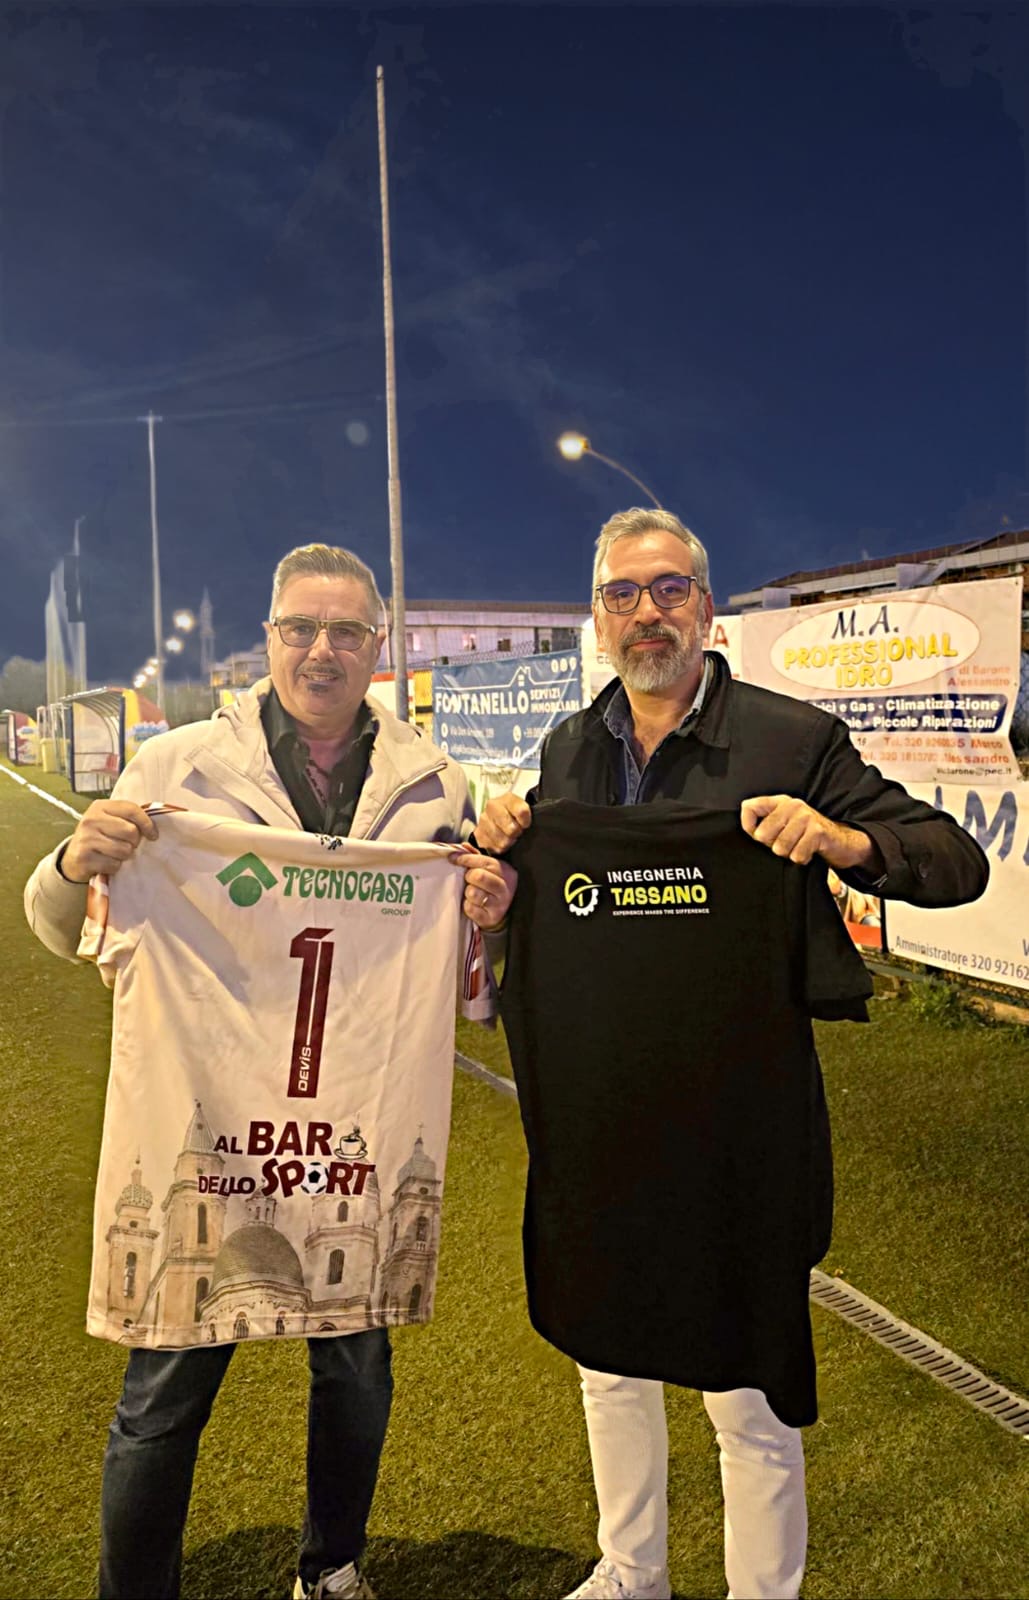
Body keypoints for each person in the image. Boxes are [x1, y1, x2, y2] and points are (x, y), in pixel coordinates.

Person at [474, 508, 988, 1600]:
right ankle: (632, 1570)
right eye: (623, 594)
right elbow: (549, 913)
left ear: (706, 609)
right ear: (598, 619)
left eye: (670, 589)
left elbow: (955, 860)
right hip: (601, 1117)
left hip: (738, 1123)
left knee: (745, 1386)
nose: (647, 613)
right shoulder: (568, 751)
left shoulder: (789, 740)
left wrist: (843, 840)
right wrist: (502, 880)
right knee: (608, 1359)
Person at [24, 543, 514, 1600]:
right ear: (270, 638)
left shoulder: (435, 784)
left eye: (346, 631)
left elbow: (473, 983)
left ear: (378, 646)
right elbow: (62, 927)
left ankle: (331, 1567)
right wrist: (72, 863)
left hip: (352, 1131)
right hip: (211, 1128)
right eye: (300, 628)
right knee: (166, 1381)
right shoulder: (175, 768)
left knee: (358, 1370)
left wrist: (486, 918)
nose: (320, 650)